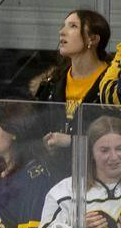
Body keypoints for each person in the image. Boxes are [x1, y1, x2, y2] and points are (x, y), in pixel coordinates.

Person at [35, 113, 121, 228]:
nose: (114, 157)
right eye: (104, 150)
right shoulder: (66, 191)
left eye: (119, 148)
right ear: (91, 153)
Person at [28, 8, 110, 150]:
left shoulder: (113, 87)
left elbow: (115, 138)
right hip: (55, 164)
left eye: (73, 26)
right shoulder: (51, 84)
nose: (62, 31)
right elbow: (32, 134)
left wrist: (73, 142)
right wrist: (42, 145)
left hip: (96, 164)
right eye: (63, 25)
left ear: (93, 39)